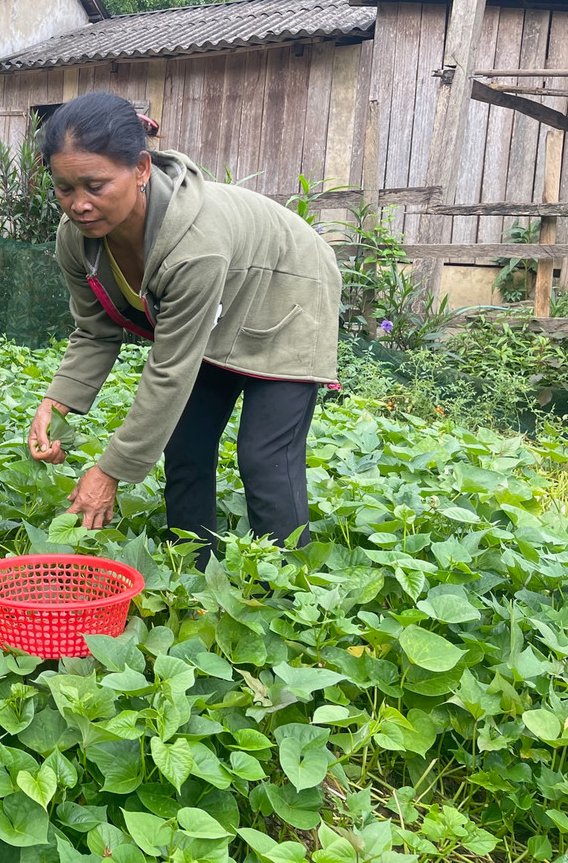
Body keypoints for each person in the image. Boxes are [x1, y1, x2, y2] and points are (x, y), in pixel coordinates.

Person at [26, 91, 341, 565]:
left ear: (141, 169)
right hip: (221, 306)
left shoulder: (194, 243)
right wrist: (57, 401)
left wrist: (111, 470)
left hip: (288, 289)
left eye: (95, 185)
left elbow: (171, 367)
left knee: (264, 456)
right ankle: (192, 574)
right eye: (65, 189)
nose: (79, 205)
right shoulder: (77, 241)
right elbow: (94, 331)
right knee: (186, 445)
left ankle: (290, 595)